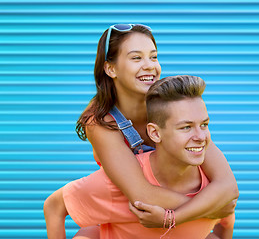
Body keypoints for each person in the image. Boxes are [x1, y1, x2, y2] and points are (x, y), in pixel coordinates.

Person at [44, 24, 238, 238]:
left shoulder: (169, 104)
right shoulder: (100, 121)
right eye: (137, 58)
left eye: (153, 57)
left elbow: (226, 183)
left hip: (162, 212)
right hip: (125, 210)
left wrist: (185, 215)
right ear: (111, 69)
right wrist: (211, 209)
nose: (149, 66)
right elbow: (141, 194)